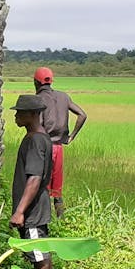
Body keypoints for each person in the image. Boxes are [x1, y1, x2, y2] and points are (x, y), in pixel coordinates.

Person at [8, 95, 55, 269]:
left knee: (37, 251)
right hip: (36, 205)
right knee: (40, 248)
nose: (16, 116)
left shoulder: (36, 140)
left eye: (21, 112)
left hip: (32, 209)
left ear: (34, 114)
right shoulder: (39, 137)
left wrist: (20, 211)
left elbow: (34, 178)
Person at [33, 67, 87, 219]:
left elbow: (39, 124)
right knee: (57, 190)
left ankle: (43, 219)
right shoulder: (64, 97)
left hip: (44, 147)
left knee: (40, 186)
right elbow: (82, 115)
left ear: (36, 82)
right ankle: (61, 220)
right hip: (59, 148)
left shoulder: (38, 99)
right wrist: (71, 136)